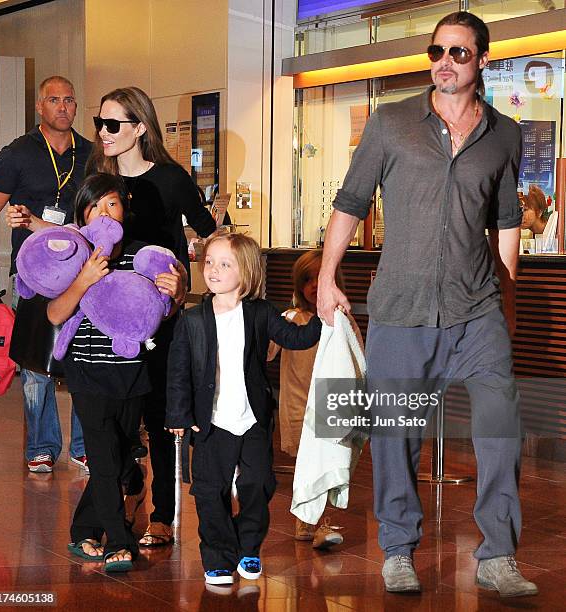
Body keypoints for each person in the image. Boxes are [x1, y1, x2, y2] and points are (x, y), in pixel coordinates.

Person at [316, 11, 538, 599]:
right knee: (397, 435)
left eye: (458, 53)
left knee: (499, 426)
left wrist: (507, 299)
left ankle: (498, 554)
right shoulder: (391, 123)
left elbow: (506, 223)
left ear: (482, 60)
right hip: (402, 307)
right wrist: (326, 276)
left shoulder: (506, 135)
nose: (444, 61)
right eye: (436, 51)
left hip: (477, 308)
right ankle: (397, 549)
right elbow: (350, 200)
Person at [86, 87, 216, 546]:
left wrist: (185, 278)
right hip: (109, 320)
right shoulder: (98, 179)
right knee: (116, 418)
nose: (103, 132)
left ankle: (162, 512)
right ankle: (127, 490)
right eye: (99, 122)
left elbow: (208, 233)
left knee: (162, 415)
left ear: (140, 127)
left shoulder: (170, 178)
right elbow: (77, 234)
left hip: (163, 317)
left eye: (113, 124)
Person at [165, 232, 322, 586]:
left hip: (252, 419)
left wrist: (321, 318)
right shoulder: (192, 320)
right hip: (211, 422)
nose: (214, 270)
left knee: (258, 484)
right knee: (209, 490)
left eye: (225, 264)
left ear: (247, 272)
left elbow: (295, 338)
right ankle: (219, 555)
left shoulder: (260, 313)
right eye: (209, 263)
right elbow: (178, 371)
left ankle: (248, 546)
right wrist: (178, 414)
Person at [48, 173, 183, 572]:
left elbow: (159, 316)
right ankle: (118, 542)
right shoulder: (75, 255)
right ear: (82, 213)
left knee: (121, 456)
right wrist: (85, 279)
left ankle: (83, 529)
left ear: (124, 209)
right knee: (105, 461)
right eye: (94, 205)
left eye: (111, 203)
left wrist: (173, 295)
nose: (103, 212)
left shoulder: (143, 255)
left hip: (132, 373)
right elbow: (55, 313)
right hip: (88, 374)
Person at [0, 76, 91, 473]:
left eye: (69, 100)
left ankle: (83, 445)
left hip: (82, 273)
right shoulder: (18, 154)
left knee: (82, 358)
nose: (62, 107)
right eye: (54, 100)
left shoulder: (91, 154)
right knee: (35, 365)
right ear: (39, 107)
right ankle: (41, 447)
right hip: (31, 275)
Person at [268, 249, 363, 549]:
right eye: (307, 279)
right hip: (297, 405)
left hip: (327, 402)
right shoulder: (291, 319)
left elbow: (356, 355)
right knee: (307, 464)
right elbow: (265, 350)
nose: (313, 285)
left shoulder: (341, 320)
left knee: (325, 461)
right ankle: (307, 519)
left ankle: (317, 522)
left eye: (319, 278)